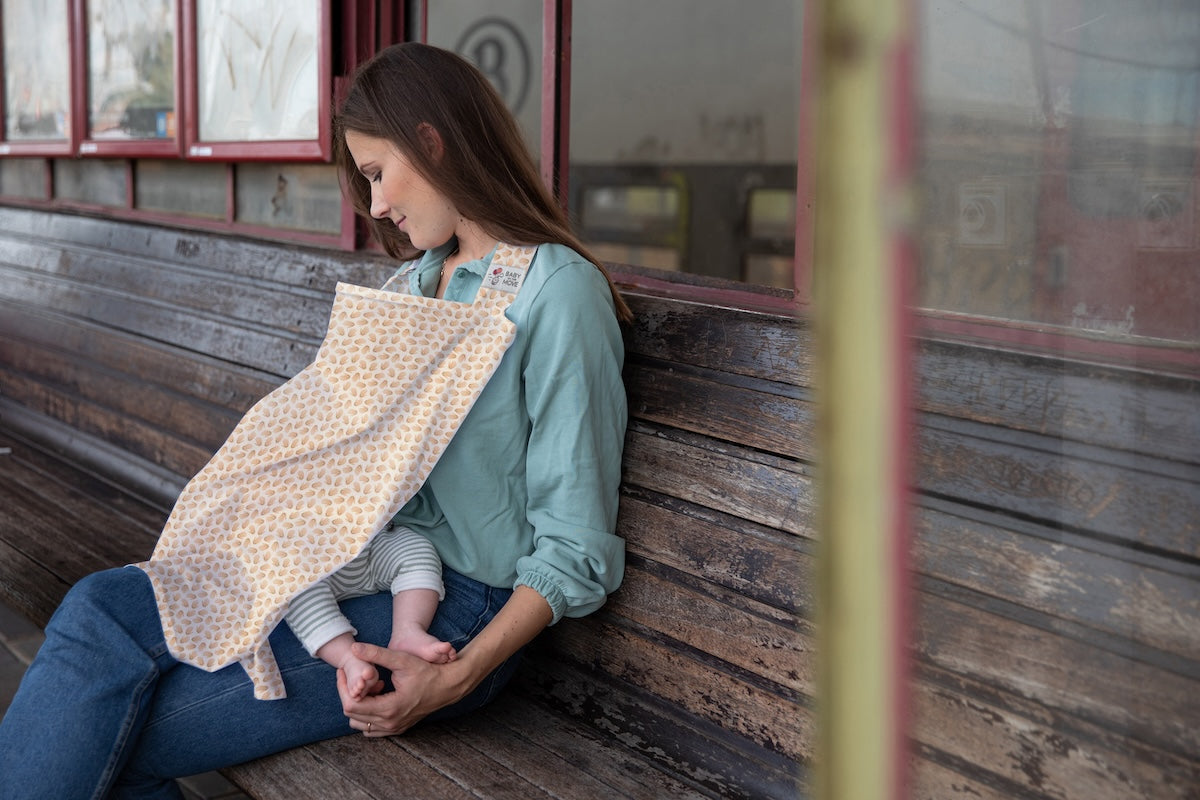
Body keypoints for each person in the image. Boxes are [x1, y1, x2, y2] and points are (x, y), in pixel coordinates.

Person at [0, 41, 630, 799]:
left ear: (432, 142)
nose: (376, 207)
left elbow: (574, 545)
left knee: (106, 722)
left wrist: (456, 676)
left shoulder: (557, 295)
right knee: (99, 610)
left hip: (450, 615)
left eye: (375, 173)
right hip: (339, 562)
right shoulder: (413, 286)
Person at [286, 524, 456, 701]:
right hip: (300, 562)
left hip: (370, 542)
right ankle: (349, 659)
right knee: (290, 591)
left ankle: (409, 631)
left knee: (417, 550)